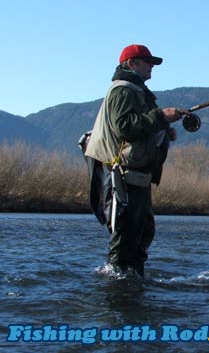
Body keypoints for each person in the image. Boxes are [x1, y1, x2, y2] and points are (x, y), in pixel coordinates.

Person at [83, 44, 186, 277]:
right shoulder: (123, 90)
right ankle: (117, 288)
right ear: (131, 64)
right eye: (147, 62)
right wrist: (161, 116)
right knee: (125, 235)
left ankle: (132, 283)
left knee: (142, 232)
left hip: (136, 177)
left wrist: (162, 130)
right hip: (121, 176)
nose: (152, 66)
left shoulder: (136, 91)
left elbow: (136, 127)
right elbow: (124, 127)